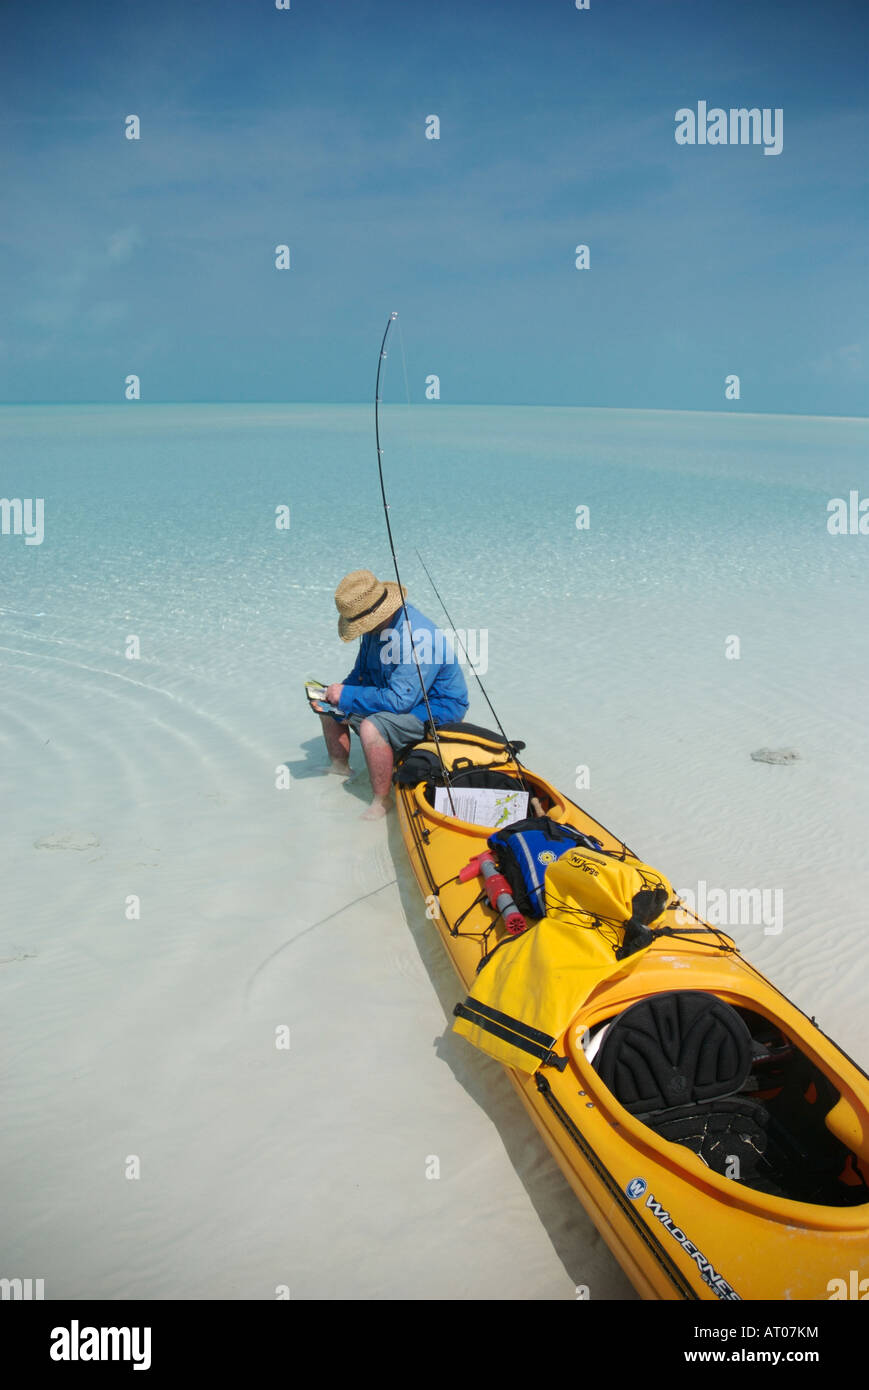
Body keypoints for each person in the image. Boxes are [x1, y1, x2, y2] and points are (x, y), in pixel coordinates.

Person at [318, 569, 469, 819]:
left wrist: (346, 695)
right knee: (327, 707)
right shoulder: (374, 629)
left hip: (437, 707)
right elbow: (361, 674)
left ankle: (382, 800)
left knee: (370, 727)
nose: (361, 629)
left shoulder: (417, 639)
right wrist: (337, 694)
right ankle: (340, 767)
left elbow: (401, 701)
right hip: (399, 694)